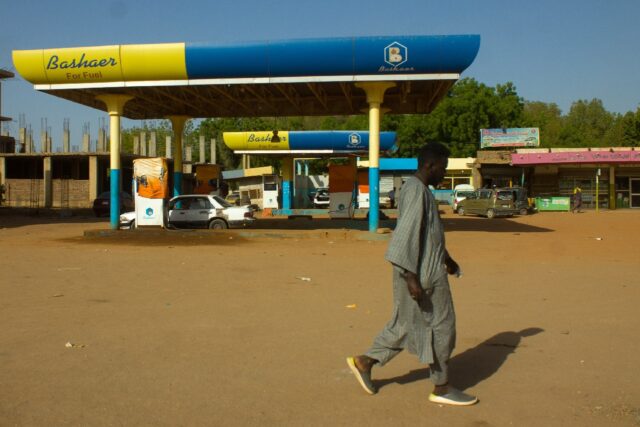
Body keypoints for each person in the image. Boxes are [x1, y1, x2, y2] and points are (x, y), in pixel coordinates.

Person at [346, 142, 478, 406]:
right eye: (443, 168)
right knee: (444, 328)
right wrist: (410, 277)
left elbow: (428, 233)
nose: (444, 173)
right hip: (421, 276)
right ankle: (441, 388)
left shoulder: (420, 191)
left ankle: (364, 362)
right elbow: (405, 236)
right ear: (430, 165)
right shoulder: (416, 191)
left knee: (404, 326)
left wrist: (447, 259)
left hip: (425, 270)